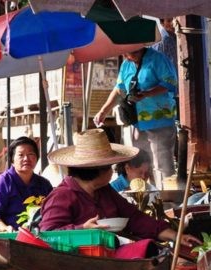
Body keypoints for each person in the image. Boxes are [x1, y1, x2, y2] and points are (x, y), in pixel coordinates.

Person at [39, 129, 200, 249]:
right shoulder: (61, 196)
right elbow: (47, 235)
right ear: (99, 170)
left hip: (109, 254)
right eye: (110, 167)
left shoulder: (104, 190)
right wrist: (82, 230)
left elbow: (134, 218)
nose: (113, 171)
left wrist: (176, 236)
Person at [93, 47, 178, 184]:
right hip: (135, 122)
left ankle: (166, 199)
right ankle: (143, 198)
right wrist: (103, 111)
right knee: (137, 165)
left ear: (140, 48)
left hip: (159, 121)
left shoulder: (157, 59)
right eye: (124, 53)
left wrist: (146, 94)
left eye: (131, 53)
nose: (127, 57)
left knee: (162, 164)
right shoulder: (126, 64)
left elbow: (170, 83)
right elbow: (119, 89)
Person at [0, 137, 53, 232]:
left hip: (40, 235)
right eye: (20, 155)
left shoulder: (44, 184)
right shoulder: (3, 181)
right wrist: (5, 228)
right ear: (12, 160)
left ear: (36, 158)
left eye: (31, 154)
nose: (26, 159)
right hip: (11, 236)